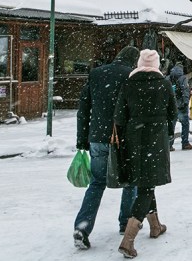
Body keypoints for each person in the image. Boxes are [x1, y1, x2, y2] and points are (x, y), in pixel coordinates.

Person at [73, 46, 140, 250]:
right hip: (123, 138)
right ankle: (125, 222)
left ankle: (82, 228)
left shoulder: (96, 73)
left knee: (96, 183)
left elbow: (83, 109)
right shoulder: (132, 75)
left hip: (97, 137)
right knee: (130, 181)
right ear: (134, 60)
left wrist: (82, 139)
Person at [116, 49, 178, 258]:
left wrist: (127, 134)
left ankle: (155, 226)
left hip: (134, 138)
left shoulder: (129, 84)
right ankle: (128, 239)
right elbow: (173, 113)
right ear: (157, 65)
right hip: (156, 138)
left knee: (144, 182)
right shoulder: (164, 84)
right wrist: (167, 132)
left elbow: (119, 115)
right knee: (147, 186)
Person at [169, 63, 192, 150]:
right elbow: (185, 90)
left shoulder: (168, 78)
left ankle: (169, 144)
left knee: (171, 125)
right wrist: (185, 102)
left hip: (171, 105)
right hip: (181, 105)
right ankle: (185, 143)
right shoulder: (183, 78)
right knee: (185, 124)